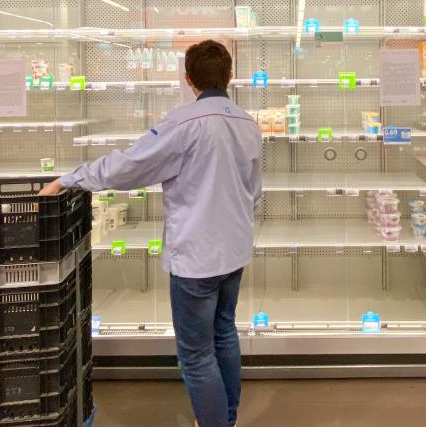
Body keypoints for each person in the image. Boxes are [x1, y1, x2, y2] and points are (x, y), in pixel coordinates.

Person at [41, 39, 262, 427]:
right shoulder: (248, 124)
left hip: (197, 258)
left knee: (196, 354)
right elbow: (254, 192)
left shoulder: (183, 124)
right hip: (234, 252)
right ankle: (226, 416)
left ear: (188, 79)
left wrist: (70, 179)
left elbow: (127, 167)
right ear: (230, 77)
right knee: (224, 333)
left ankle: (217, 424)